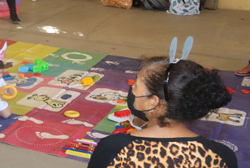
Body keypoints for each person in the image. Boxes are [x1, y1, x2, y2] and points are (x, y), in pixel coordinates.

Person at [87, 57, 236, 168]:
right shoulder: (221, 155)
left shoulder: (114, 148)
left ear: (153, 101)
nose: (132, 89)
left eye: (136, 85)